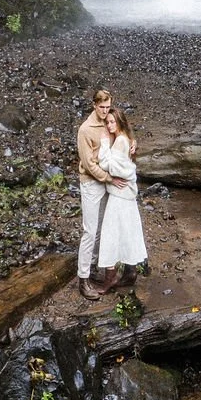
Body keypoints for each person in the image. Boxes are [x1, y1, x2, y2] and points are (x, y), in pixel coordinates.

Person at [76, 87, 127, 300]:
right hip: (92, 183)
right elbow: (88, 164)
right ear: (94, 105)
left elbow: (123, 134)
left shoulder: (109, 122)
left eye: (108, 107)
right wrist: (108, 178)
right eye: (102, 107)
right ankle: (83, 279)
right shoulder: (85, 130)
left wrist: (132, 144)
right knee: (90, 231)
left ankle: (96, 268)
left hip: (108, 181)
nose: (106, 111)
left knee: (103, 228)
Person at [94, 107, 148, 290]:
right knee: (127, 230)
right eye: (107, 122)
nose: (109, 126)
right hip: (126, 195)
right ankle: (130, 272)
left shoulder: (120, 141)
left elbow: (109, 165)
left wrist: (103, 146)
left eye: (112, 122)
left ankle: (110, 278)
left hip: (120, 195)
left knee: (111, 233)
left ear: (120, 122)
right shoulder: (125, 138)